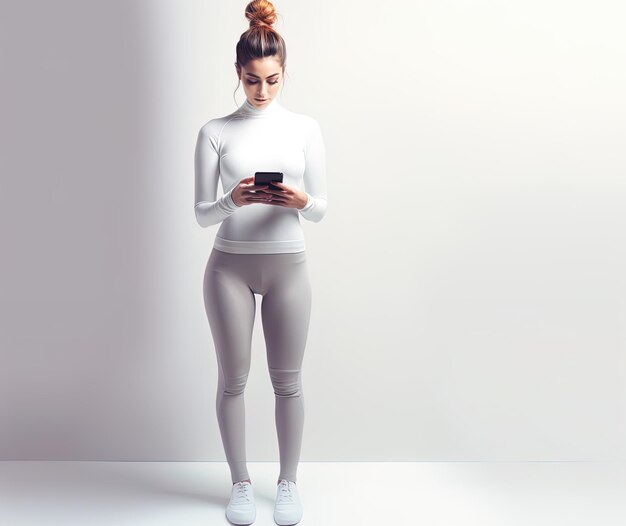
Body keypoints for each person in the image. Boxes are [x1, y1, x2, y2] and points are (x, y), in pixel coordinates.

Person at [194, 1, 327, 524]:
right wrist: (234, 200)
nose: (263, 91)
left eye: (272, 80)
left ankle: (288, 483)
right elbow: (202, 214)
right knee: (233, 380)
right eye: (252, 81)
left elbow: (322, 207)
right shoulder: (214, 132)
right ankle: (241, 484)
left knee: (288, 382)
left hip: (288, 267)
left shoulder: (305, 129)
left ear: (283, 72)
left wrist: (301, 204)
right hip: (229, 267)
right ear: (237, 74)